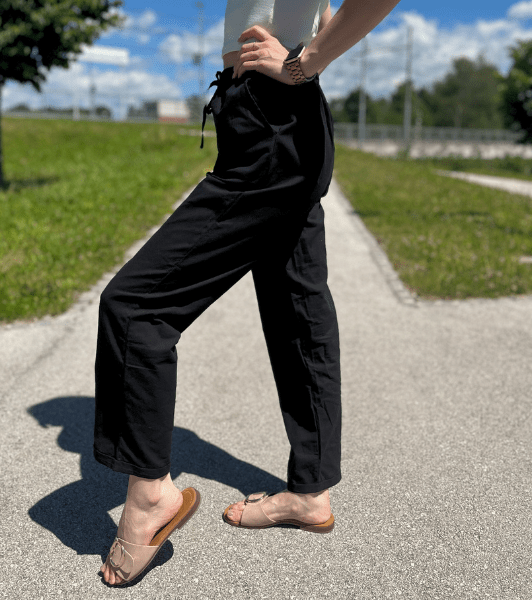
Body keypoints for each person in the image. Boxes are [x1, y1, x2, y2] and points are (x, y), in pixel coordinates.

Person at [96, 0, 402, 586]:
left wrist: (304, 63)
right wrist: (304, 61)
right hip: (278, 117)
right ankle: (310, 491)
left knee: (135, 307)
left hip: (273, 122)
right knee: (298, 310)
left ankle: (149, 498)